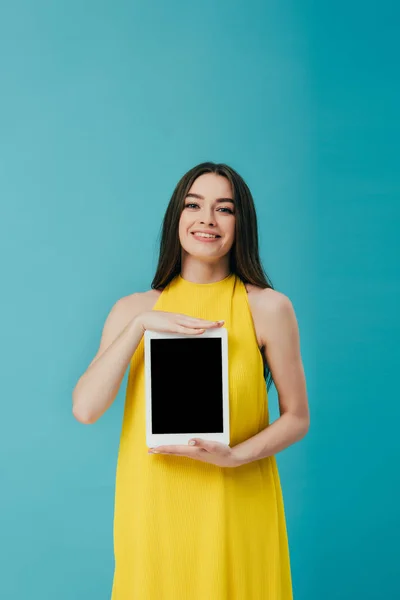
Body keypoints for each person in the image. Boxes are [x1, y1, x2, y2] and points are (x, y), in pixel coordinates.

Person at [72, 161, 310, 599]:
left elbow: (296, 416)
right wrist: (141, 324)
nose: (207, 219)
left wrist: (236, 457)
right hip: (155, 508)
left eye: (225, 208)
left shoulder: (269, 308)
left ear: (242, 224)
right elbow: (86, 409)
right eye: (194, 205)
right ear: (176, 218)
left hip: (236, 500)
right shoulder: (133, 309)